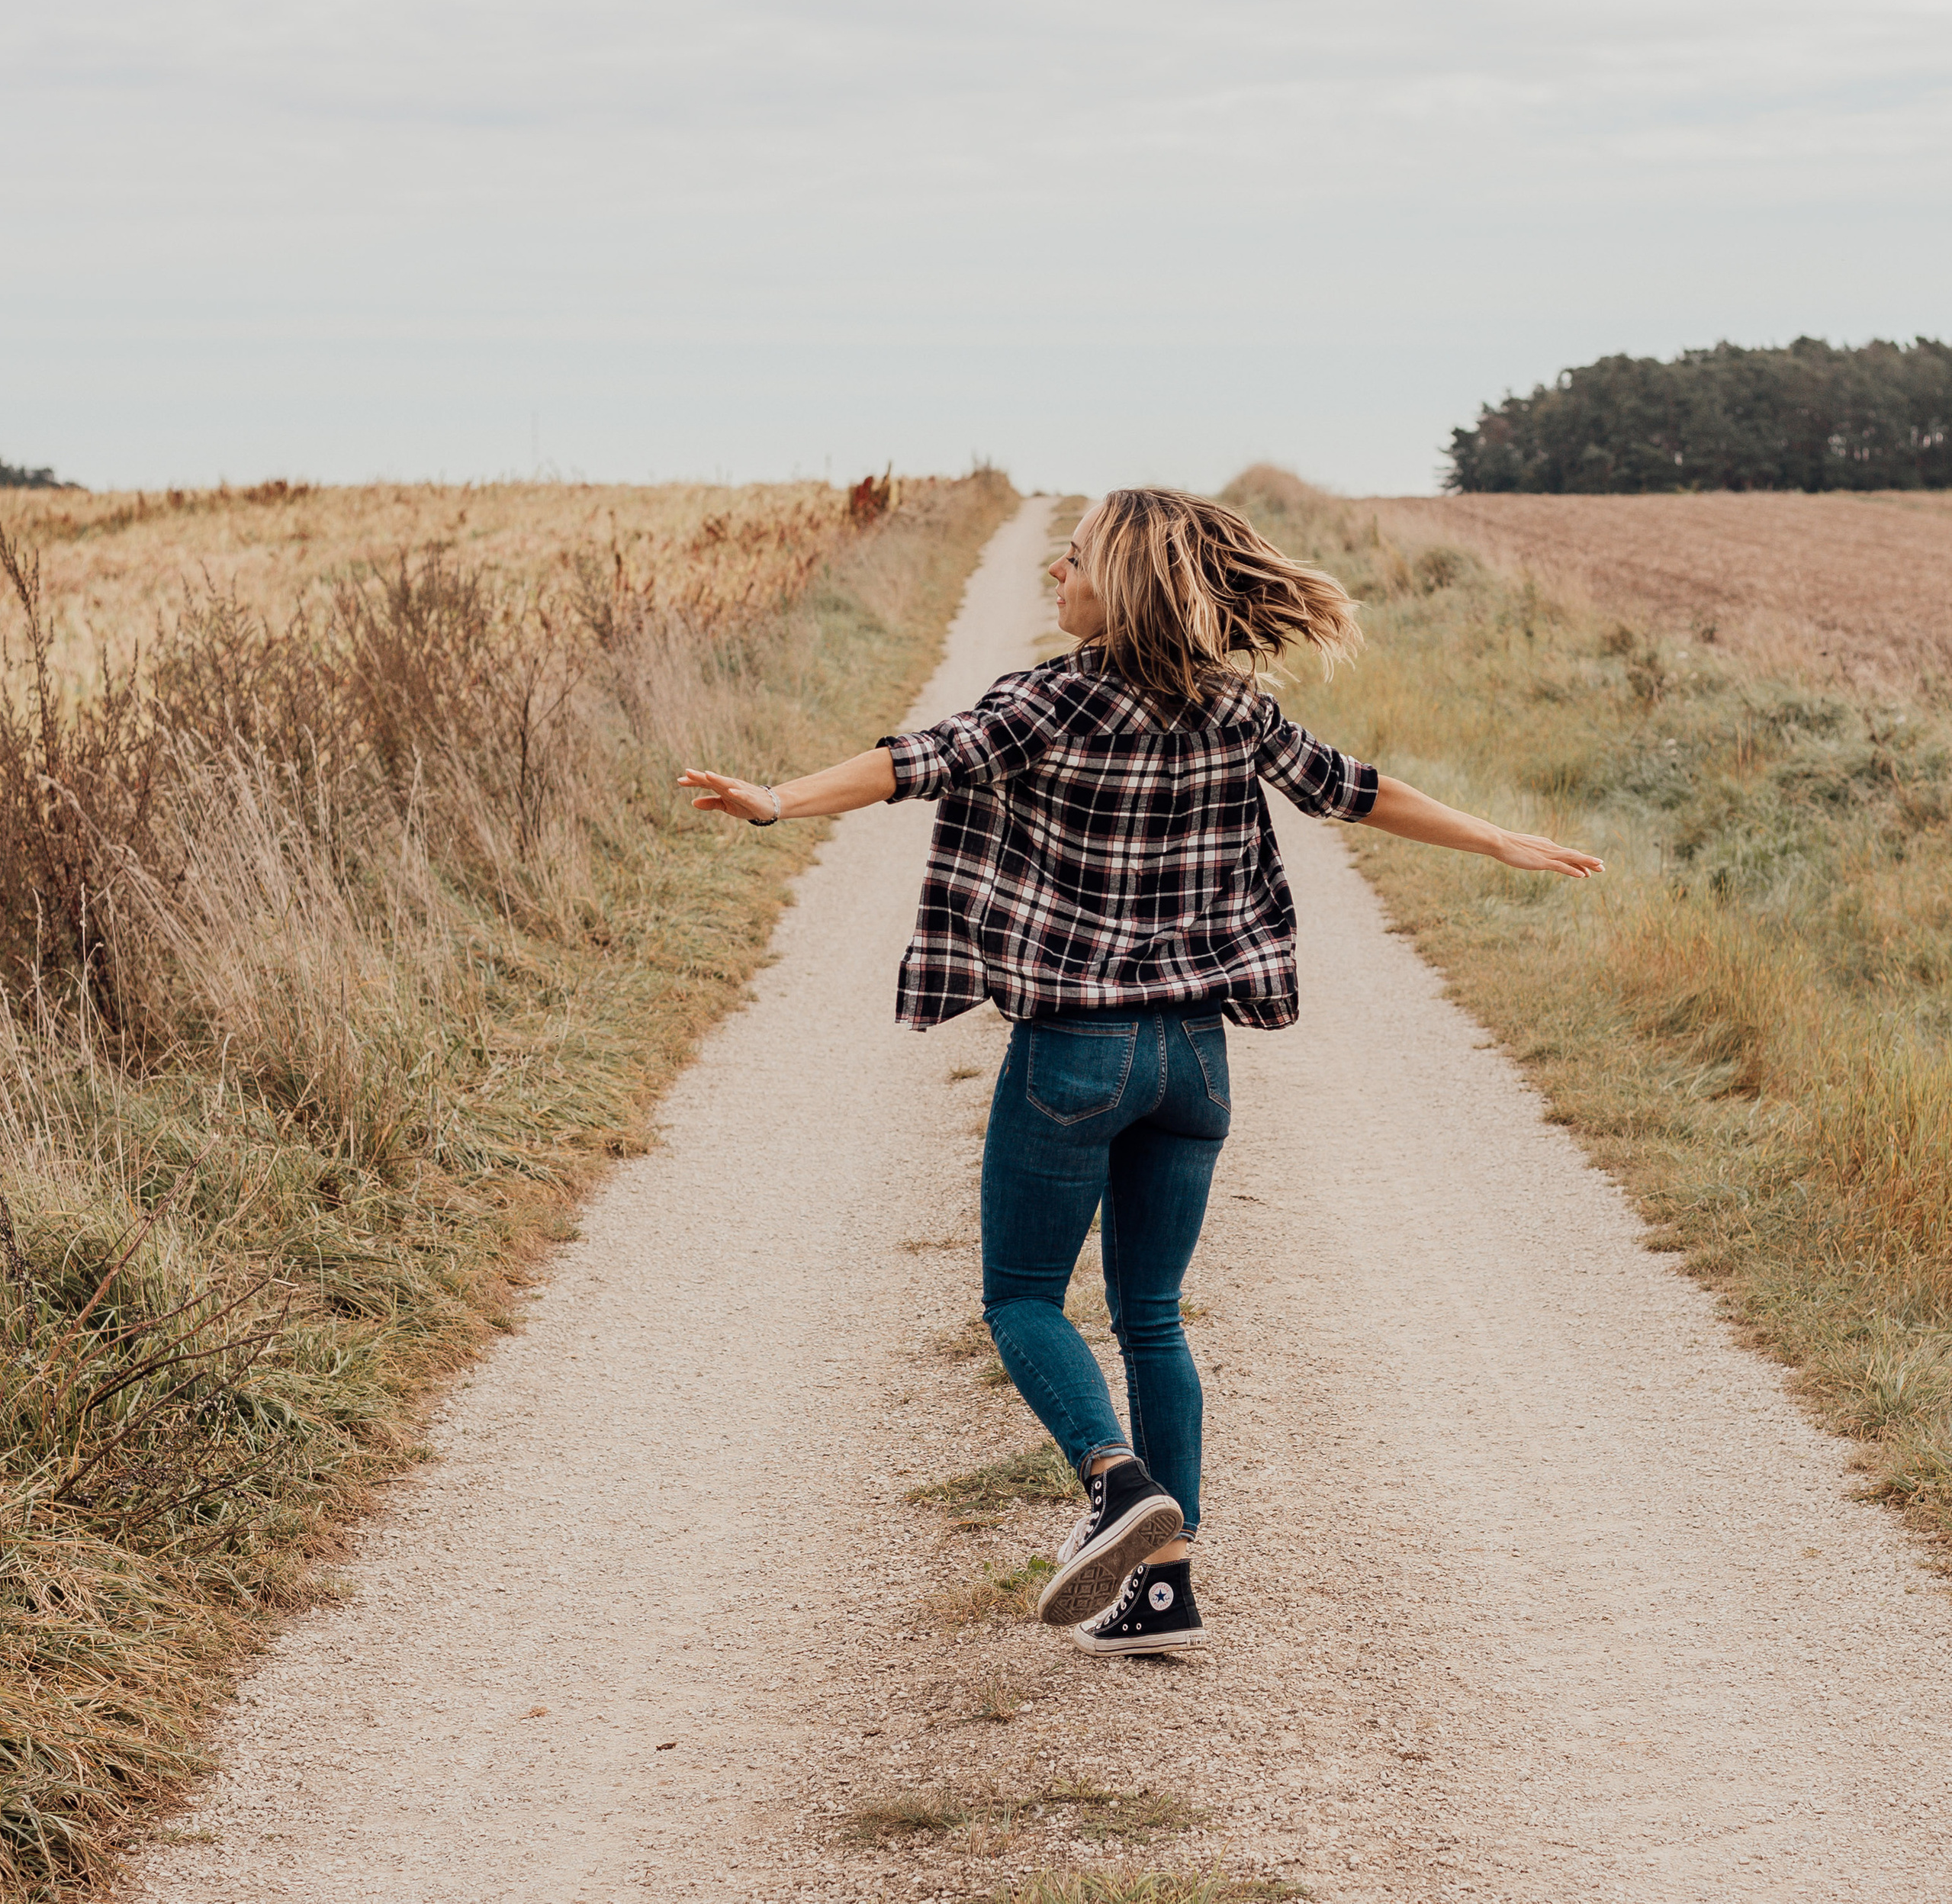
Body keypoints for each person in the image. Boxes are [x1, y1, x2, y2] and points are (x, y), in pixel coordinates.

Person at [680, 487, 1600, 1659]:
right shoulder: (1237, 706)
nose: (1051, 578)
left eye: (1068, 563)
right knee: (1152, 1313)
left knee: (1021, 1297)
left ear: (1119, 582)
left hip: (1077, 1051)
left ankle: (1115, 1481)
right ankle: (1165, 1586)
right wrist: (1499, 837)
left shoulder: (1046, 698)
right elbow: (1358, 790)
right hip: (1197, 1061)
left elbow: (915, 762)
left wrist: (776, 799)